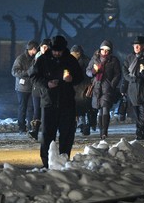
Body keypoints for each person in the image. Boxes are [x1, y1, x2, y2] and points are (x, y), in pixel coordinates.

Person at [30, 35, 84, 168]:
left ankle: (64, 159)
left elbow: (80, 77)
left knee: (67, 134)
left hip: (66, 102)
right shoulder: (43, 59)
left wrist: (72, 79)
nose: (57, 53)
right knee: (48, 134)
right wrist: (47, 83)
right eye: (55, 51)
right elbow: (34, 76)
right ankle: (47, 162)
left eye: (59, 51)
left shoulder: (70, 60)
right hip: (49, 102)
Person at [87, 40, 122, 139]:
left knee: (105, 108)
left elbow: (118, 74)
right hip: (96, 87)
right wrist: (93, 72)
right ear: (100, 50)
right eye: (103, 50)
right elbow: (88, 71)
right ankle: (101, 131)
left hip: (107, 87)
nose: (105, 52)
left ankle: (104, 131)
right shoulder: (95, 59)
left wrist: (112, 84)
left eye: (107, 50)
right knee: (99, 110)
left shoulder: (114, 60)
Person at [11, 40, 39, 134]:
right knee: (22, 108)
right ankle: (21, 128)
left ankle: (31, 127)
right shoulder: (20, 59)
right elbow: (14, 72)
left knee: (31, 108)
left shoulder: (35, 58)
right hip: (22, 88)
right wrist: (27, 72)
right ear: (32, 49)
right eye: (36, 49)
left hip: (32, 87)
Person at [28, 38, 51, 140]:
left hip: (47, 88)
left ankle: (47, 132)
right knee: (36, 110)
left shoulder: (51, 59)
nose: (44, 49)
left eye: (46, 47)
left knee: (46, 110)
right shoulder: (36, 58)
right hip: (37, 88)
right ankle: (35, 131)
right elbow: (31, 73)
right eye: (43, 47)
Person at [71, 45, 94, 136]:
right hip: (76, 87)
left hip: (83, 88)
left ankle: (84, 125)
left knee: (83, 108)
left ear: (78, 53)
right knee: (77, 108)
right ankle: (81, 125)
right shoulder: (72, 61)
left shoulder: (85, 61)